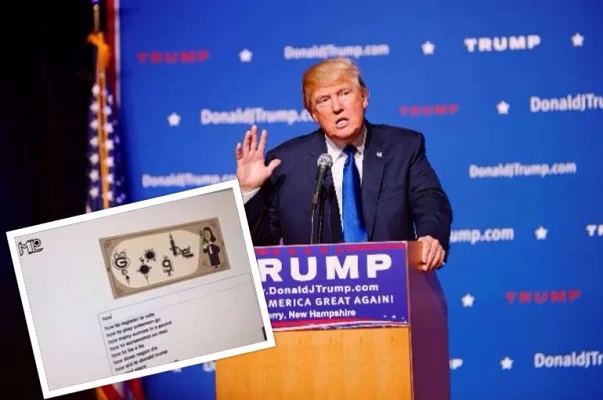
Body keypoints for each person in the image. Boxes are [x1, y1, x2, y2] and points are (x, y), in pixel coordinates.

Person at [235, 57, 452, 271]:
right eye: (323, 100)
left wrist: (431, 236)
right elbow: (263, 244)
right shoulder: (285, 163)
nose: (337, 107)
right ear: (313, 114)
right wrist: (248, 191)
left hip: (393, 282)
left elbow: (430, 200)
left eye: (344, 93)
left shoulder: (403, 148)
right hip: (319, 290)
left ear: (364, 97)